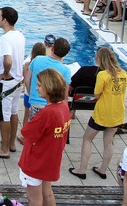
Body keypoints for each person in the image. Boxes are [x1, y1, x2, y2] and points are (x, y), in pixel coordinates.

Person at [70, 47, 127, 180]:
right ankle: (103, 169)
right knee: (108, 142)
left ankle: (82, 170)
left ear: (99, 59)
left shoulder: (102, 75)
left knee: (87, 139)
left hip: (102, 113)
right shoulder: (124, 73)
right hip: (117, 113)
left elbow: (96, 94)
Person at [18, 68, 70, 206]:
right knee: (47, 193)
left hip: (36, 162)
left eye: (40, 85)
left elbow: (25, 132)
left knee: (34, 199)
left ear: (49, 87)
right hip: (50, 160)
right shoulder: (64, 106)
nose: (36, 88)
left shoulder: (46, 114)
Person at [0, 7, 25, 159]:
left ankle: (4, 149)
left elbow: (7, 60)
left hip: (7, 83)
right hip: (17, 81)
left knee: (4, 116)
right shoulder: (19, 35)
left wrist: (5, 73)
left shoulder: (5, 39)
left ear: (5, 19)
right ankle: (12, 144)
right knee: (14, 112)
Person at [25, 38, 72, 120]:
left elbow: (26, 80)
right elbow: (65, 95)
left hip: (35, 102)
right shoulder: (66, 70)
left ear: (52, 48)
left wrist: (31, 94)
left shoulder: (37, 59)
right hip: (53, 106)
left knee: (34, 128)